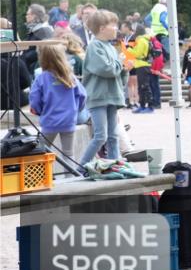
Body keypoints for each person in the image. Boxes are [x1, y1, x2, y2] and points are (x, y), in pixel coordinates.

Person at [80, 10, 132, 171]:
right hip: (98, 98)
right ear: (102, 28)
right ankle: (80, 167)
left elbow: (118, 77)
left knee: (113, 136)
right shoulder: (94, 47)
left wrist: (125, 70)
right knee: (100, 136)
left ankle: (115, 165)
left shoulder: (110, 47)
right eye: (113, 25)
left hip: (112, 97)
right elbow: (106, 69)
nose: (116, 28)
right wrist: (120, 65)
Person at [29, 44, 88, 162]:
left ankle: (43, 177)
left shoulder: (41, 78)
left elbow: (35, 101)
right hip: (69, 121)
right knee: (68, 153)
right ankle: (71, 177)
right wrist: (76, 110)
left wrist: (40, 111)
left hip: (49, 121)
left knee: (42, 151)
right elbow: (83, 96)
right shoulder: (70, 77)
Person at [129, 25, 155, 114]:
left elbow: (137, 54)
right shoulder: (144, 40)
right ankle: (142, 105)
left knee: (145, 86)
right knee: (141, 87)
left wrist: (128, 50)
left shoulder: (141, 41)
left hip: (142, 65)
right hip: (142, 65)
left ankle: (150, 106)